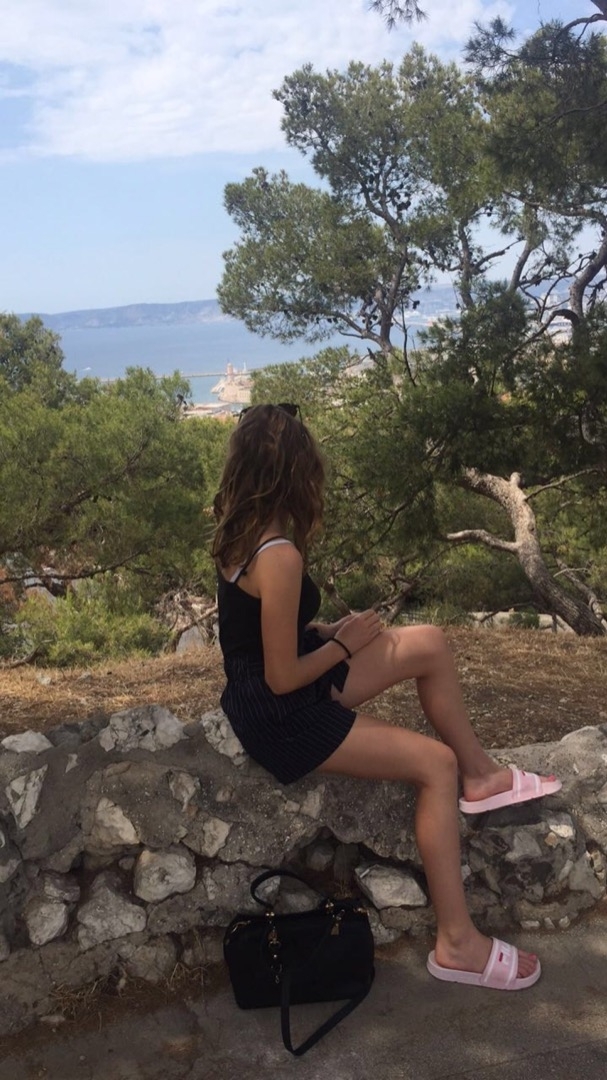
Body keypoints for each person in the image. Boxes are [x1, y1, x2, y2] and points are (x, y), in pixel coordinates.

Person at [212, 403, 562, 992]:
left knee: (429, 643)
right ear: (293, 471)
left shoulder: (239, 533)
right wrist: (342, 646)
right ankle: (457, 943)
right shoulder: (280, 555)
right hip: (282, 713)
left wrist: (322, 633)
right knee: (435, 766)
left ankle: (482, 776)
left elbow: (254, 635)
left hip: (265, 692)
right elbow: (280, 678)